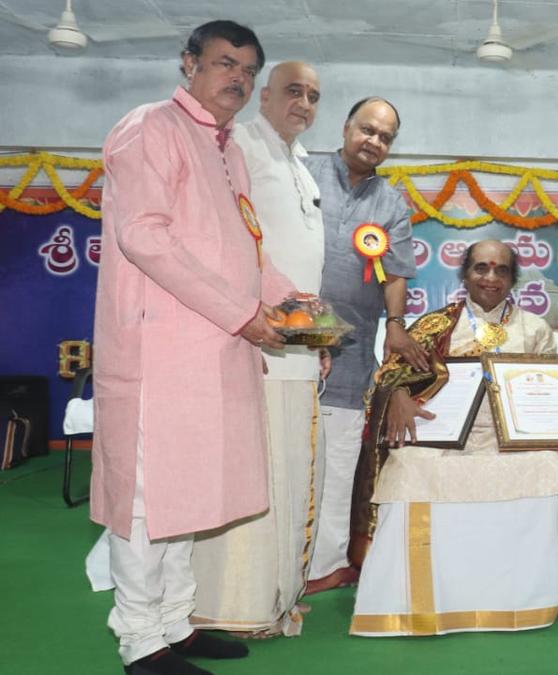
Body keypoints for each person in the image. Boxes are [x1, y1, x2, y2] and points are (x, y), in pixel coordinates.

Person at [91, 20, 296, 675]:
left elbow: (245, 248)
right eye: (224, 63)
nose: (237, 77)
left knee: (187, 499)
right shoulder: (150, 128)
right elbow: (144, 238)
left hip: (214, 354)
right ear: (189, 64)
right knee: (149, 502)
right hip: (159, 358)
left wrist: (292, 300)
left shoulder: (227, 148)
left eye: (247, 70)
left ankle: (175, 624)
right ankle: (140, 641)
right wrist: (244, 313)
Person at [347, 240, 558, 635]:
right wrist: (397, 396)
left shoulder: (535, 329)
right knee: (410, 466)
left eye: (501, 270)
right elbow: (389, 375)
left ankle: (520, 601)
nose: (491, 278)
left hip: (511, 443)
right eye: (481, 268)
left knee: (545, 464)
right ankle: (412, 603)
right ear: (465, 275)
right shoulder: (434, 326)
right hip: (443, 441)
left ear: (513, 278)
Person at [190, 61, 327, 638]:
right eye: (293, 91)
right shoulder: (239, 146)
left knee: (290, 469)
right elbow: (228, 248)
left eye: (314, 96)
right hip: (256, 340)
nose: (304, 103)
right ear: (264, 95)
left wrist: (316, 339)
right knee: (255, 472)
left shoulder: (301, 165)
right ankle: (236, 603)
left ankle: (278, 591)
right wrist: (259, 319)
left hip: (297, 345)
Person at [303, 97, 422, 594]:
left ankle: (326, 565)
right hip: (282, 342)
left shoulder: (391, 202)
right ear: (346, 126)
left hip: (351, 347)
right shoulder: (302, 172)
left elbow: (394, 271)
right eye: (367, 129)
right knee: (280, 456)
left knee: (338, 458)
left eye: (386, 137)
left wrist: (395, 324)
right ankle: (275, 557)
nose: (375, 141)